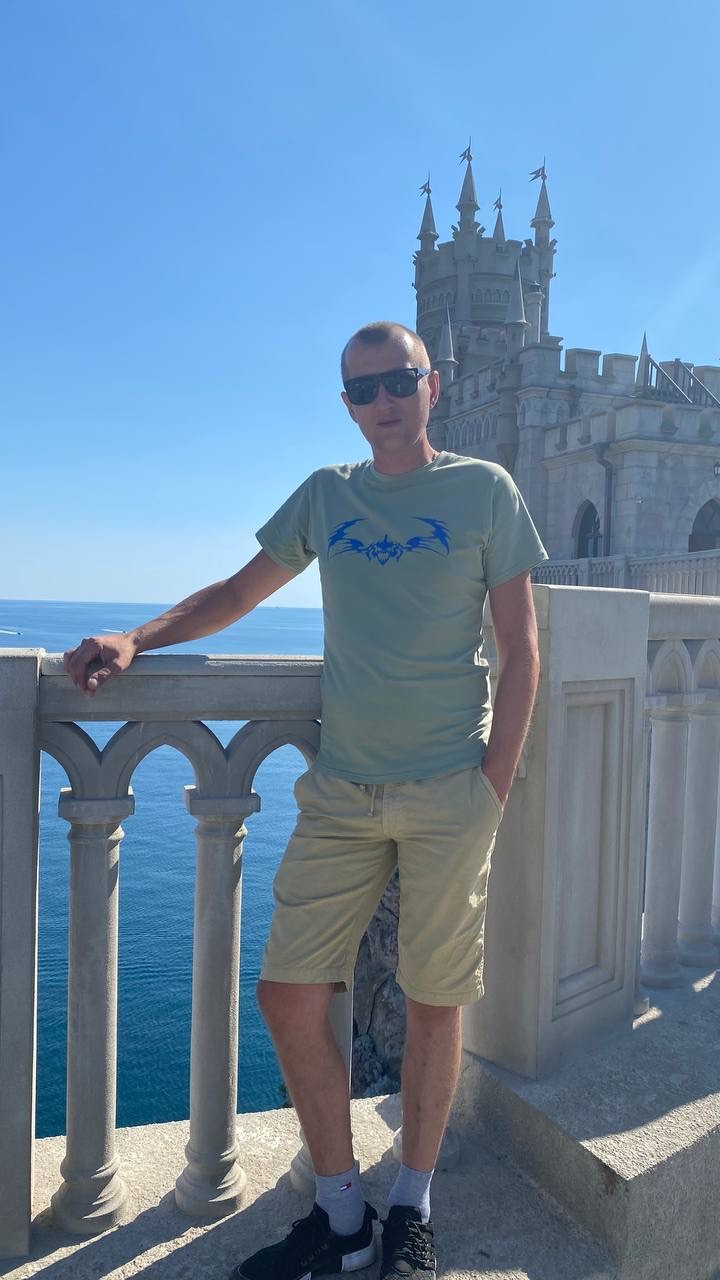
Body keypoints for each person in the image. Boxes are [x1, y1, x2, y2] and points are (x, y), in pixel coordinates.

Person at [65, 320, 548, 1280]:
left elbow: (521, 645)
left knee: (434, 1001)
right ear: (347, 406)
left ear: (433, 386)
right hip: (342, 794)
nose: (384, 402)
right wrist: (137, 639)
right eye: (364, 390)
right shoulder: (329, 494)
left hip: (449, 789)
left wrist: (492, 784)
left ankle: (411, 1206)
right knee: (287, 995)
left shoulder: (485, 490)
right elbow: (237, 594)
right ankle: (342, 1214)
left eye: (399, 381)